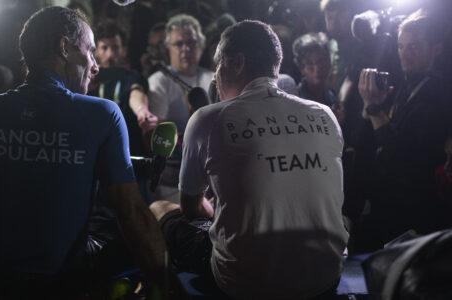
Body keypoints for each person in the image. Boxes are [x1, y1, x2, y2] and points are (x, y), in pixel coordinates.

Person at [0, 7, 182, 299]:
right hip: (64, 279)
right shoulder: (103, 114)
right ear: (64, 47)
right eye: (90, 51)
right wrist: (170, 289)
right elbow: (132, 215)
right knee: (156, 218)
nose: (95, 65)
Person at [150, 20, 349, 300]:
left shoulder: (209, 118)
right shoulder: (325, 114)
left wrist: (219, 215)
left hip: (244, 282)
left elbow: (191, 207)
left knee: (159, 207)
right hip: (327, 275)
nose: (216, 79)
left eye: (218, 66)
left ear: (238, 62)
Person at [356, 15, 452, 250]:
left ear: (436, 49)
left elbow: (400, 156)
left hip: (416, 208)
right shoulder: (405, 85)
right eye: (400, 46)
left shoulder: (438, 94)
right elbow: (374, 140)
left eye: (414, 47)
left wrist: (374, 108)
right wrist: (370, 107)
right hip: (390, 203)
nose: (404, 54)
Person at [147, 14, 214, 203]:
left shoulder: (212, 78)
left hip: (209, 176)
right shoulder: (159, 82)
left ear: (200, 45)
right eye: (179, 44)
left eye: (192, 42)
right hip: (170, 180)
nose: (186, 49)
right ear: (169, 47)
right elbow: (155, 133)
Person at [88, 20, 158, 156]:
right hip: (94, 149)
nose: (110, 54)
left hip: (127, 150)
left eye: (115, 47)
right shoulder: (87, 79)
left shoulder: (131, 76)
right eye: (104, 48)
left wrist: (142, 111)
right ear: (96, 51)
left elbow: (136, 92)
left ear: (124, 50)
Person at [292, 32, 337, 107]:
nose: (317, 68)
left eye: (321, 61)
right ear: (301, 69)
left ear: (329, 62)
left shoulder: (332, 96)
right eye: (309, 63)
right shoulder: (296, 101)